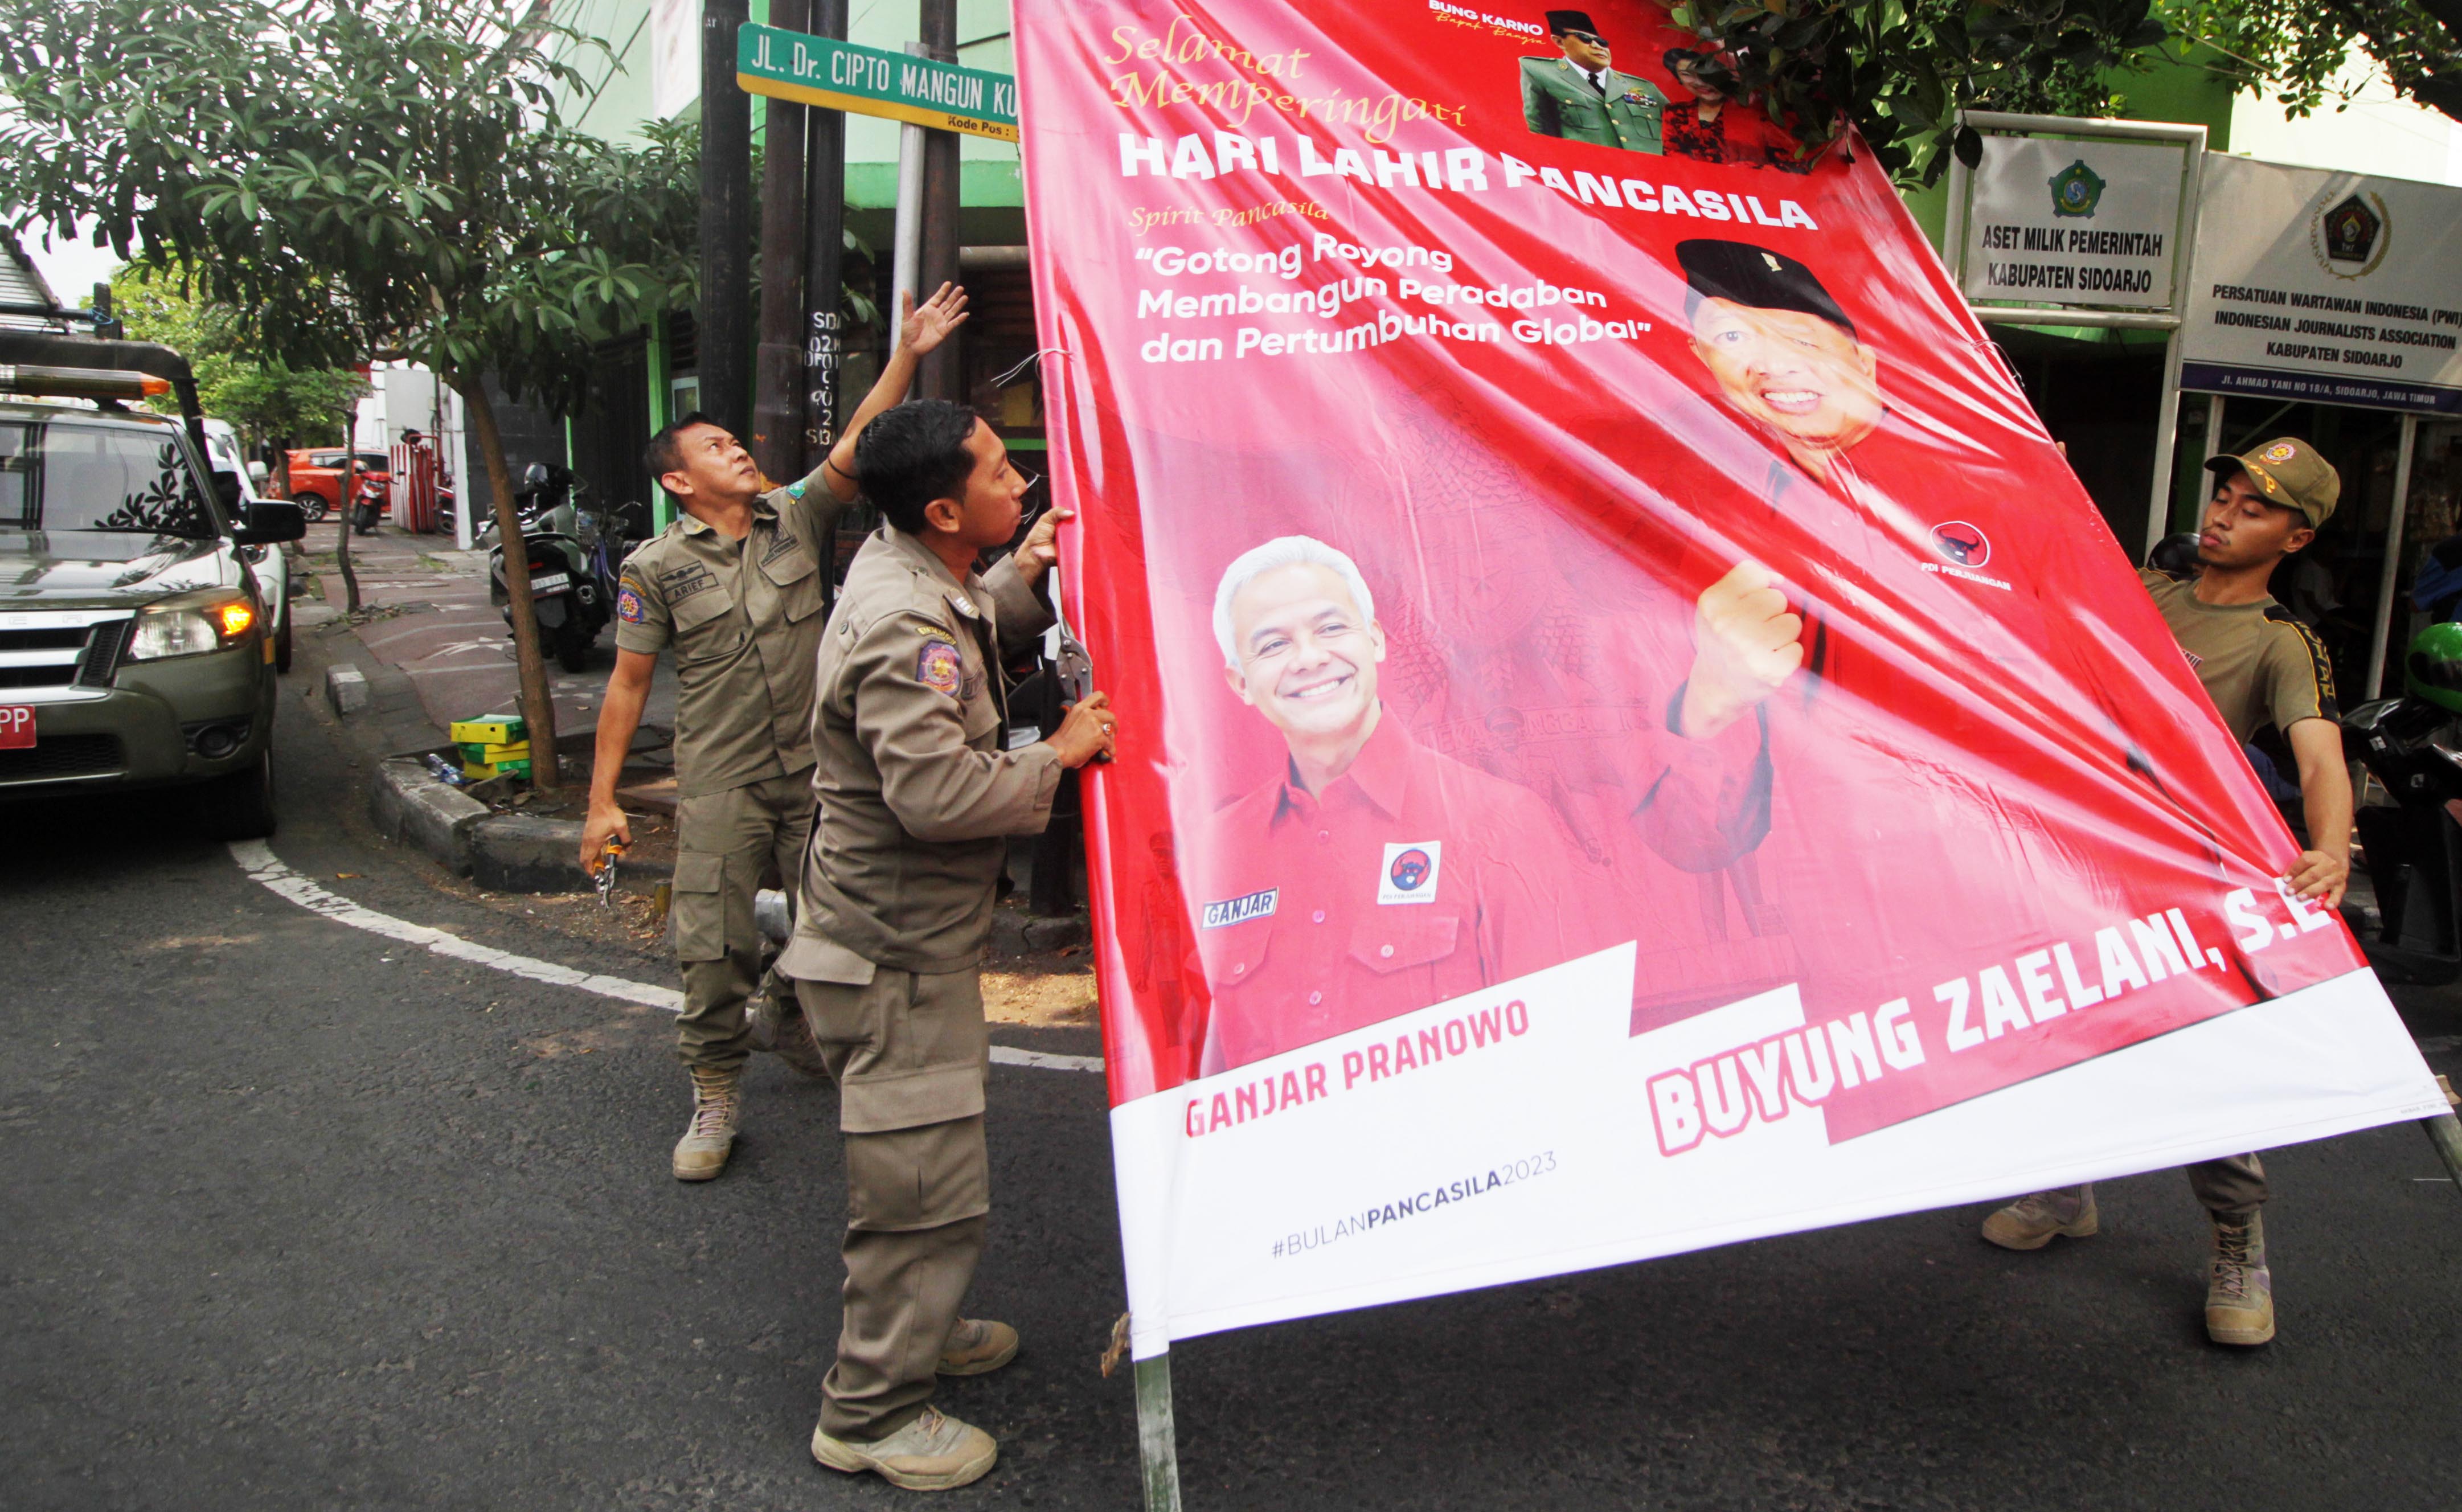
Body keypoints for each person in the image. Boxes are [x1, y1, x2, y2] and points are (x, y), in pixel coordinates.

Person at [1662, 236, 2329, 1147]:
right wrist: (1708, 702)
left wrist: (2251, 869)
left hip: (2059, 883)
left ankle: (2230, 1235)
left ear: (1863, 361)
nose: (1773, 366)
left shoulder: (2006, 499)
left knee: (2189, 1081)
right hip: (1867, 950)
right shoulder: (1716, 523)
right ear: (1702, 363)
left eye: (1804, 340)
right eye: (1733, 338)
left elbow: (2148, 708)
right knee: (2023, 1119)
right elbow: (1690, 834)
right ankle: (2058, 1189)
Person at [779, 398, 1116, 1490]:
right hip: (888, 958)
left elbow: (973, 623)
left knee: (931, 1171)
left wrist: (1019, 575)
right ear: (939, 506)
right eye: (993, 470)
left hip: (905, 938)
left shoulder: (923, 574)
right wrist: (1060, 751)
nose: (1016, 477)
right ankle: (870, 1412)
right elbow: (936, 796)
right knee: (919, 1188)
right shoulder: (902, 626)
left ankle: (921, 1331)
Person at [579, 283, 972, 1183]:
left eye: (735, 440)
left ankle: (795, 1009)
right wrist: (601, 801)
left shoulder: (792, 514)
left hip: (819, 771)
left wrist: (906, 353)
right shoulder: (657, 567)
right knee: (711, 945)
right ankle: (715, 1085)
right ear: (679, 480)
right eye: (716, 448)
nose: (738, 450)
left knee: (837, 923)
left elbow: (855, 446)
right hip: (721, 778)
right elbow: (627, 682)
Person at [1978, 438, 2349, 1348]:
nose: (2222, 513)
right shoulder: (2148, 588)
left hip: (2192, 878)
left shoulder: (2279, 640)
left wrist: (2330, 848)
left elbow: (2319, 754)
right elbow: (2040, 584)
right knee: (2064, 1022)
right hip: (2082, 852)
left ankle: (2236, 1239)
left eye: (2252, 508)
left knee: (2200, 1058)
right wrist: (2026, 474)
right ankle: (2067, 1185)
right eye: (2221, 495)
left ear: (2293, 539)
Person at [1190, 535, 1578, 1071]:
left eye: (1330, 628)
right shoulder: (1216, 851)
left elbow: (1554, 1054)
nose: (1309, 658)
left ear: (1375, 640)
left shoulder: (1499, 821)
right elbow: (1203, 1076)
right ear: (1240, 682)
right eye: (1273, 645)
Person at [1519, 9, 1666, 154]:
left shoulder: (1644, 87)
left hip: (1652, 173)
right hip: (1587, 172)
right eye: (1585, 39)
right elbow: (1541, 132)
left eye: (1602, 42)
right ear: (1559, 41)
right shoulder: (1541, 72)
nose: (1598, 47)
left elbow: (1679, 133)